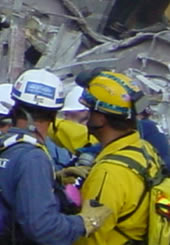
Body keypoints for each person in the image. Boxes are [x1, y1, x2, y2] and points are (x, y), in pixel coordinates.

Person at [0, 68, 112, 245]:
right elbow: (43, 228)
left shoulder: (7, 145)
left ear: (15, 107)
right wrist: (85, 222)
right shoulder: (33, 158)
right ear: (54, 115)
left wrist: (54, 180)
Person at [65, 69, 161, 245]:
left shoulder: (109, 173)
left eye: (90, 109)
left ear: (101, 118)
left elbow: (91, 239)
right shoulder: (145, 149)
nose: (87, 115)